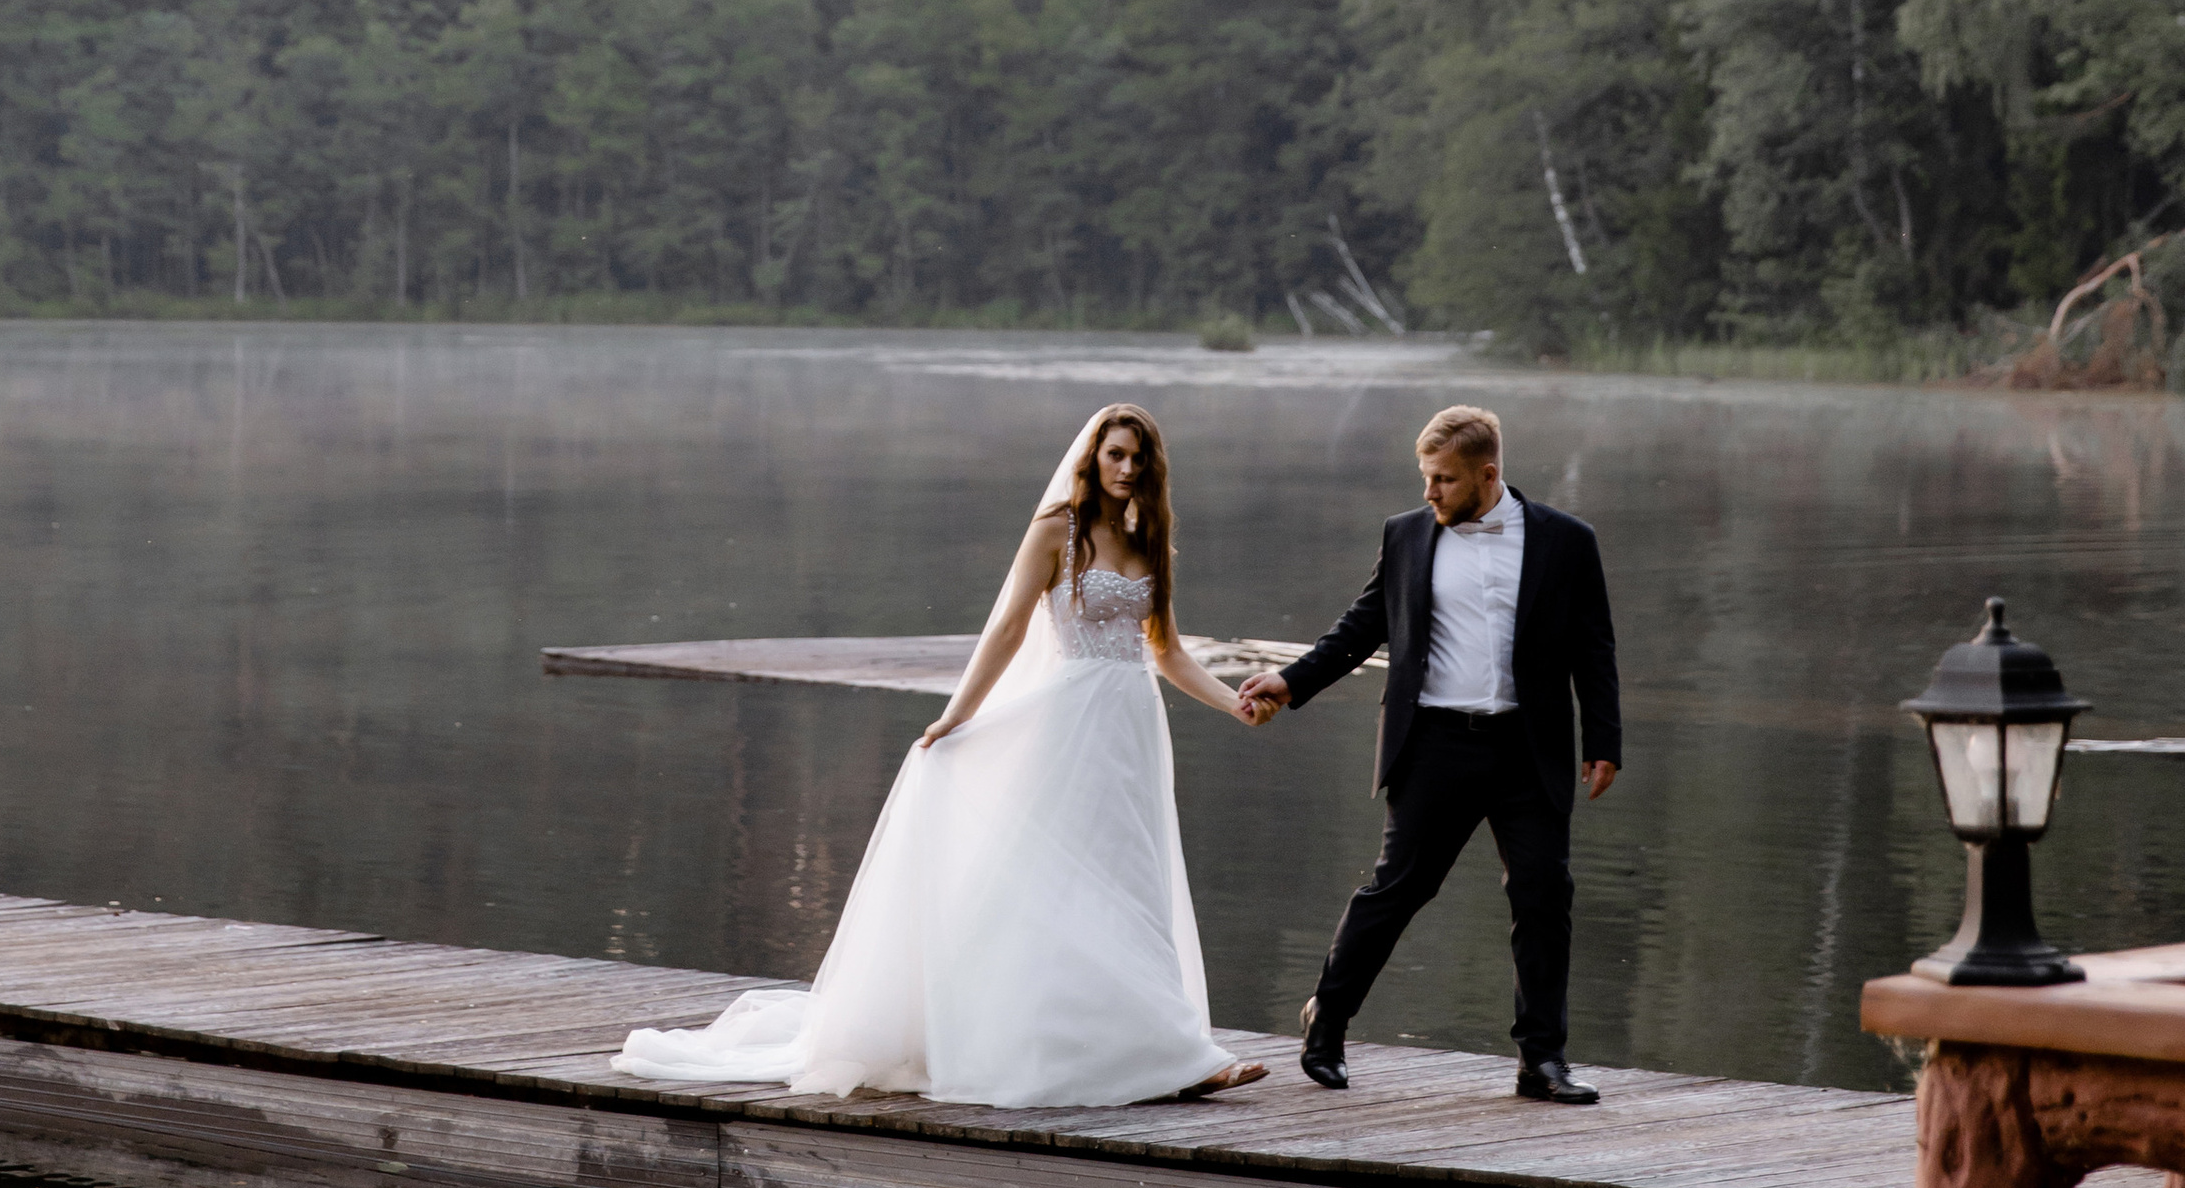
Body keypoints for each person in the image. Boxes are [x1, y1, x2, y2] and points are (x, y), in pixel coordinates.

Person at [614, 405, 1267, 1109]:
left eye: (1138, 459)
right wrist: (959, 714)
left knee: (1134, 882)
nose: (1126, 469)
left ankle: (1164, 1049)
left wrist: (1235, 703)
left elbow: (1166, 652)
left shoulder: (1148, 540)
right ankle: (1148, 1053)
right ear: (1092, 457)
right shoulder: (1058, 532)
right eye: (1115, 454)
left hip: (1132, 729)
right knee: (1061, 883)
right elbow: (1010, 628)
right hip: (1070, 725)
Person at [1235, 402, 1619, 1104]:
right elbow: (1361, 627)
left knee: (1544, 896)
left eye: (1443, 479)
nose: (1429, 492)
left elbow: (1593, 646)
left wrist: (1604, 742)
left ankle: (1543, 1060)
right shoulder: (1409, 535)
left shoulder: (1565, 541)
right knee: (1398, 888)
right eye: (1425, 477)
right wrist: (1290, 682)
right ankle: (1327, 1023)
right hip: (1435, 742)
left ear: (1487, 473)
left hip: (1527, 749)